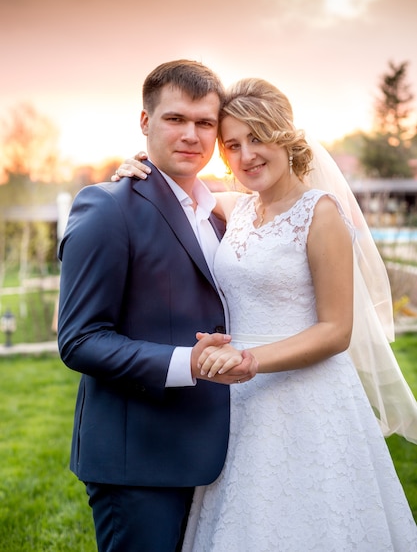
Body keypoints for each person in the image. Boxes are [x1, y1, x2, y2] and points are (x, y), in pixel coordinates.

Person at [115, 77, 417, 550]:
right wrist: (140, 169)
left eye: (257, 137)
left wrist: (252, 360)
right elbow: (173, 198)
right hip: (237, 401)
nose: (246, 155)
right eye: (232, 144)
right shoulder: (234, 208)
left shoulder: (321, 213)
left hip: (308, 393)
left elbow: (337, 330)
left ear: (285, 136)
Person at [57, 59, 258, 552]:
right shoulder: (106, 207)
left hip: (218, 452)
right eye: (175, 119)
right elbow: (80, 339)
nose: (191, 134)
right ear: (145, 122)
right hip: (138, 462)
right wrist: (188, 362)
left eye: (204, 123)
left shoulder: (216, 214)